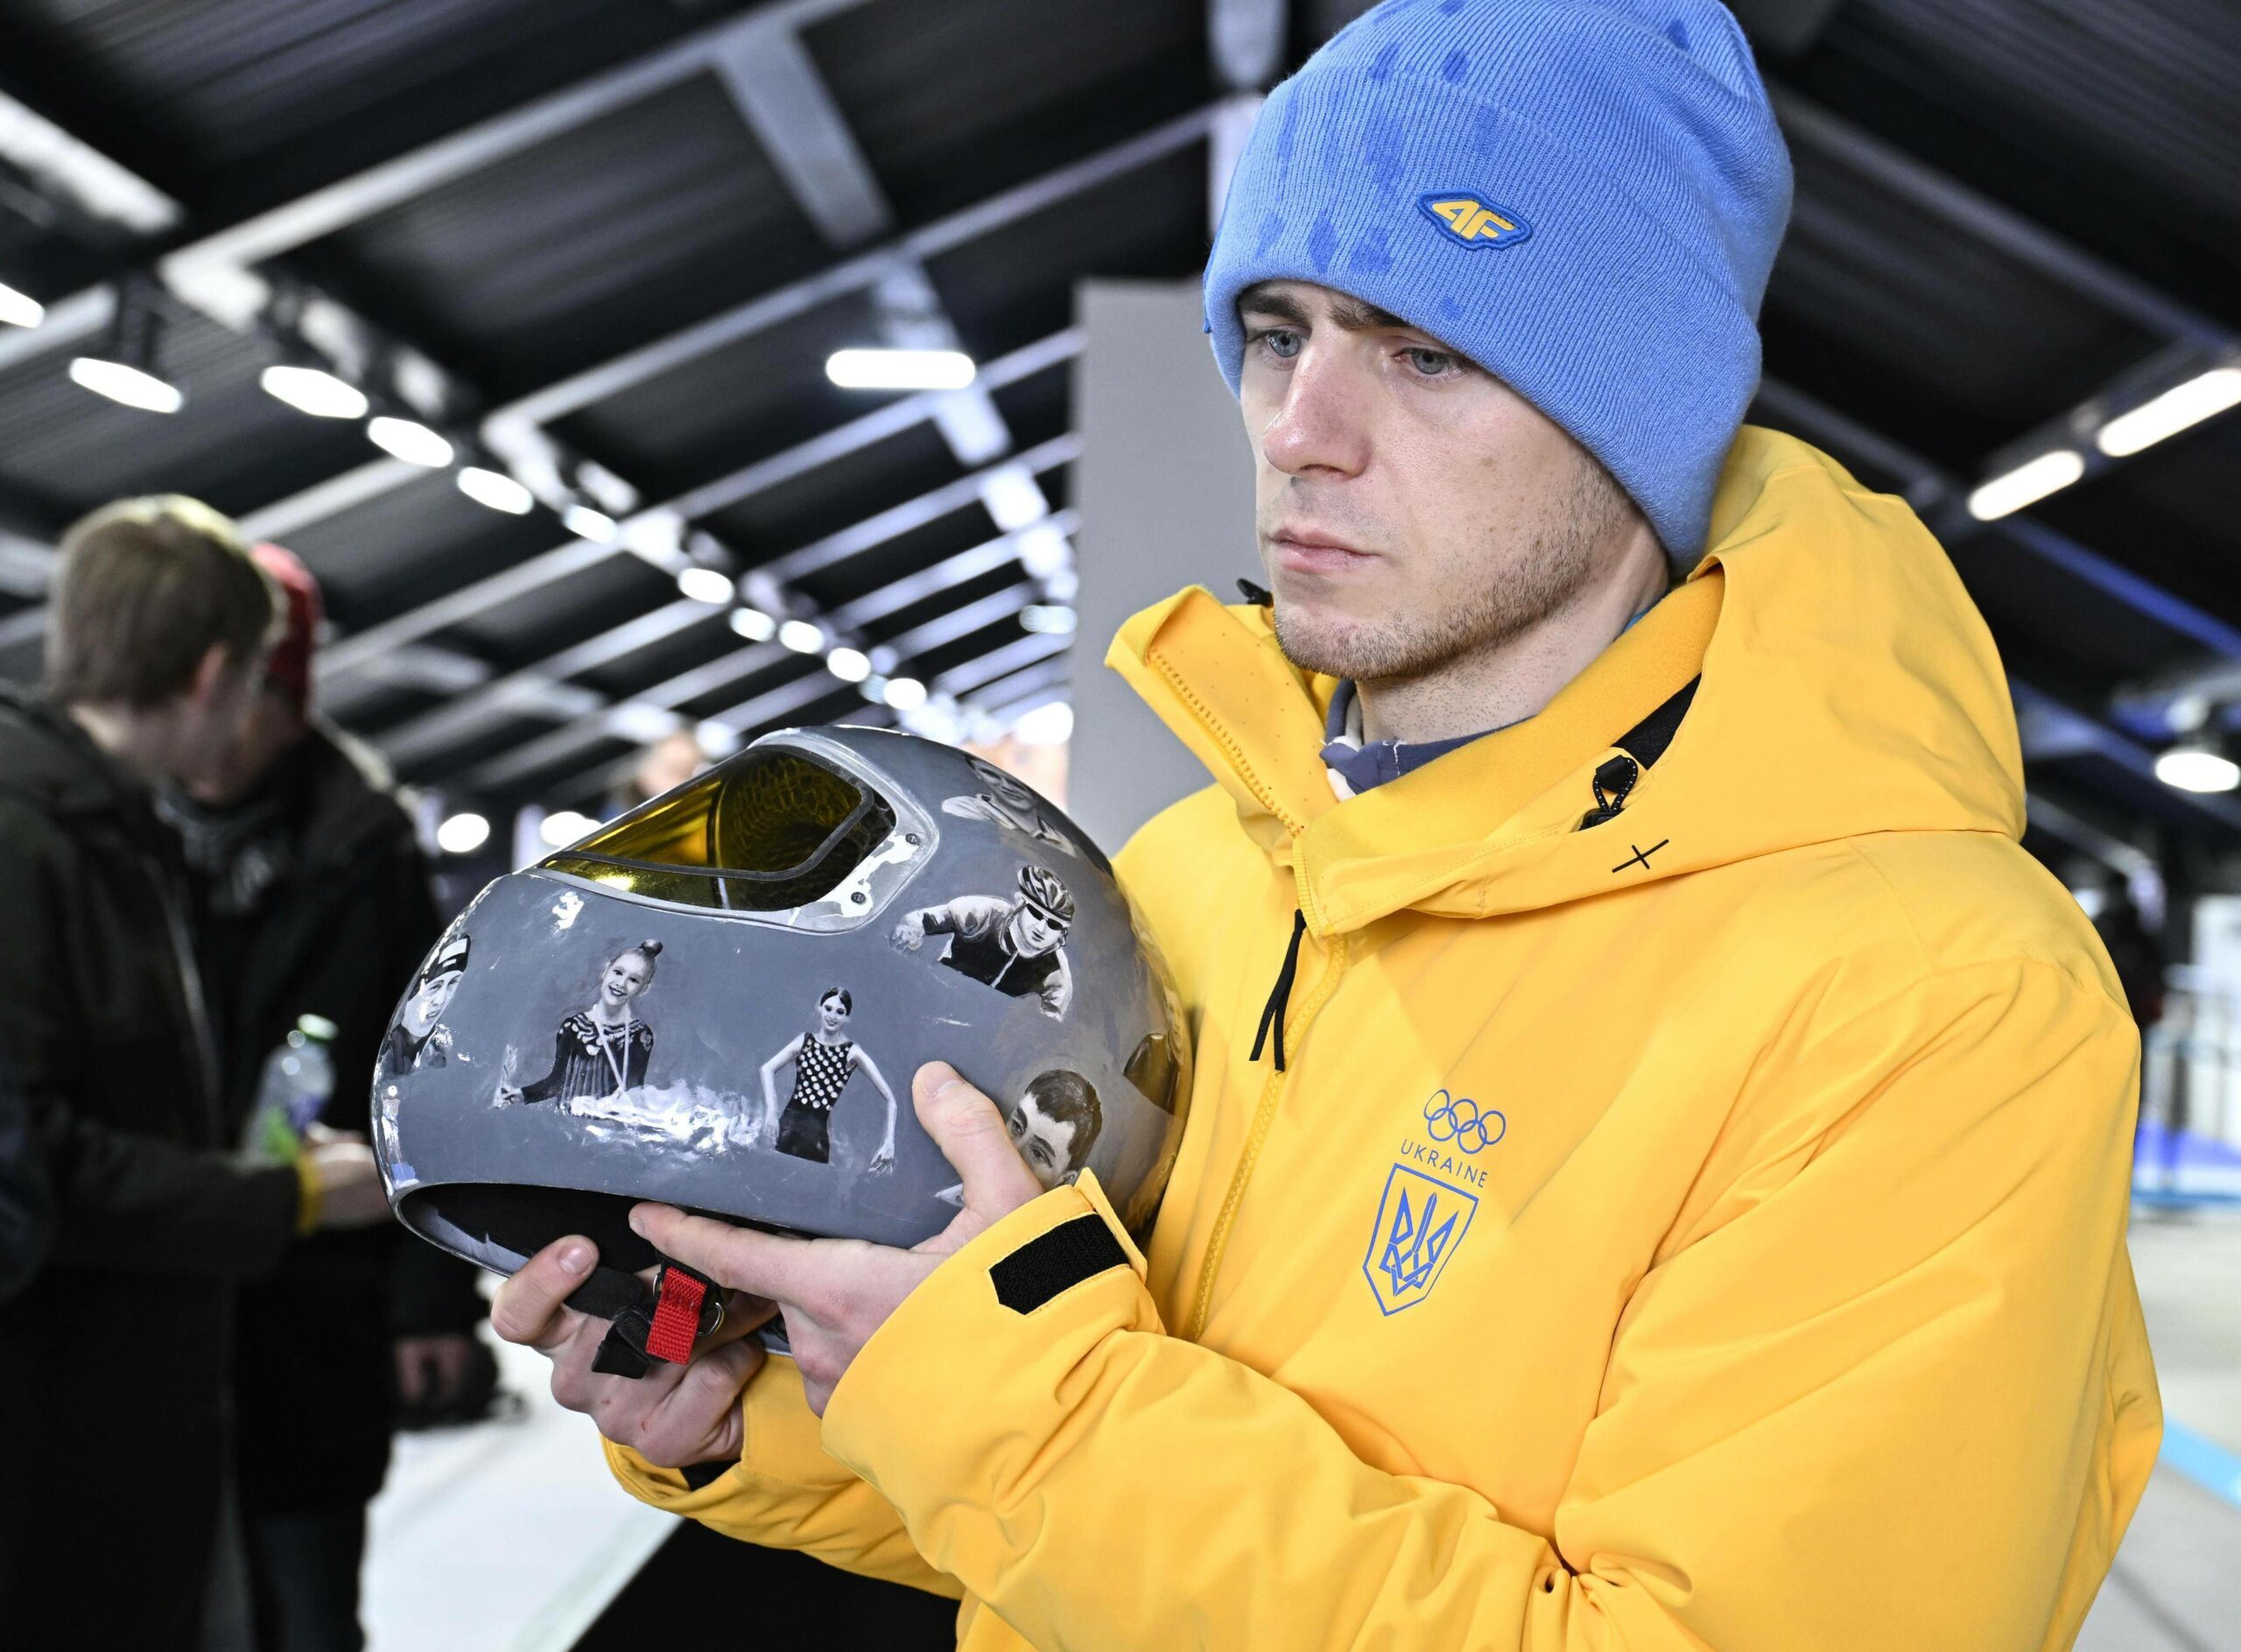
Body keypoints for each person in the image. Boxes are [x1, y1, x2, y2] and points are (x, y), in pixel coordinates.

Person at [491, 5, 2160, 1648]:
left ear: (1640, 414)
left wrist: (1013, 1401)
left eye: (1425, 351)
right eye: (1278, 334)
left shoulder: (1932, 997)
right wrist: (751, 1415)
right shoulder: (1203, 878)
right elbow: (1074, 1520)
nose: (1300, 432)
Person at [0, 498, 391, 1650]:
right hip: (54, 1450)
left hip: (128, 1429)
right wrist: (287, 1197)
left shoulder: (109, 827)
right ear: (218, 671)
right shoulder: (31, 838)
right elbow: (23, 1163)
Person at [159, 543, 485, 1652]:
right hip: (152, 1294)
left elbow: (431, 1077)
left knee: (306, 1610)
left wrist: (428, 1300)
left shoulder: (363, 846)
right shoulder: (108, 834)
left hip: (315, 1300)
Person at [891, 864, 1075, 1018]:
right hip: (933, 996)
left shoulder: (1057, 974)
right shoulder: (984, 913)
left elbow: (1049, 1029)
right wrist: (909, 931)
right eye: (1035, 913)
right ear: (1020, 903)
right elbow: (920, 919)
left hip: (984, 1033)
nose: (1041, 928)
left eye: (1053, 924)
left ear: (1062, 933)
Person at [499, 940, 662, 1107]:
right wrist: (525, 1094)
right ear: (605, 971)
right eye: (618, 973)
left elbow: (634, 1091)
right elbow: (557, 1083)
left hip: (611, 1122)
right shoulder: (573, 1027)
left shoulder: (640, 1035)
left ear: (644, 989)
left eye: (634, 980)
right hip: (569, 1118)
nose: (621, 984)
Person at [757, 988, 899, 1170]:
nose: (832, 1016)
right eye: (828, 1009)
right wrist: (771, 1111)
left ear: (847, 1017)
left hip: (816, 1140)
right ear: (820, 1009)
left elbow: (891, 1100)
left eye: (840, 1012)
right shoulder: (804, 1040)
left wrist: (889, 1143)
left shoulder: (852, 1052)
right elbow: (766, 1069)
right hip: (786, 1130)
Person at [934, 1071, 1101, 1206]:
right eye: (1017, 1126)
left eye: (1038, 1153)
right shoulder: (944, 1198)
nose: (1013, 1151)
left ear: (1063, 1182)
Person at [940, 757, 1078, 856]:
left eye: (1016, 778)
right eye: (990, 774)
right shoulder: (961, 809)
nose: (1006, 786)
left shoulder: (1061, 838)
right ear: (978, 776)